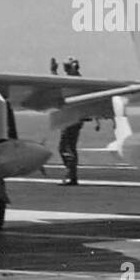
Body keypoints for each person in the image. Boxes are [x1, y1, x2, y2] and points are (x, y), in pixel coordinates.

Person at [56, 56, 85, 185]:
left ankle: (71, 175)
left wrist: (53, 72)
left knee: (66, 147)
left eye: (67, 67)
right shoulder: (75, 81)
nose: (66, 70)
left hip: (72, 119)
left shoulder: (74, 82)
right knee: (67, 147)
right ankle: (71, 175)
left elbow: (57, 88)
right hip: (71, 118)